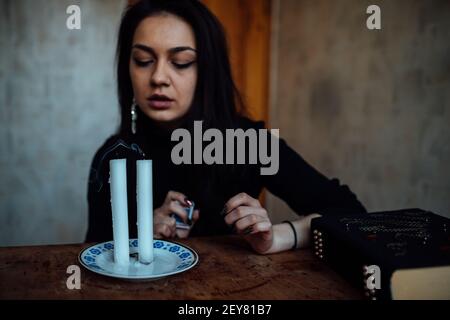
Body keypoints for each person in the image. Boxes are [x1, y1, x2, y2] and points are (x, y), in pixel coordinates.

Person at [85, 0, 366, 254]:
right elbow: (92, 260)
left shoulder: (246, 143)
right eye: (143, 61)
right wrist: (138, 239)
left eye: (181, 63)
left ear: (206, 71)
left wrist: (278, 236)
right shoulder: (114, 157)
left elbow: (352, 215)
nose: (158, 77)